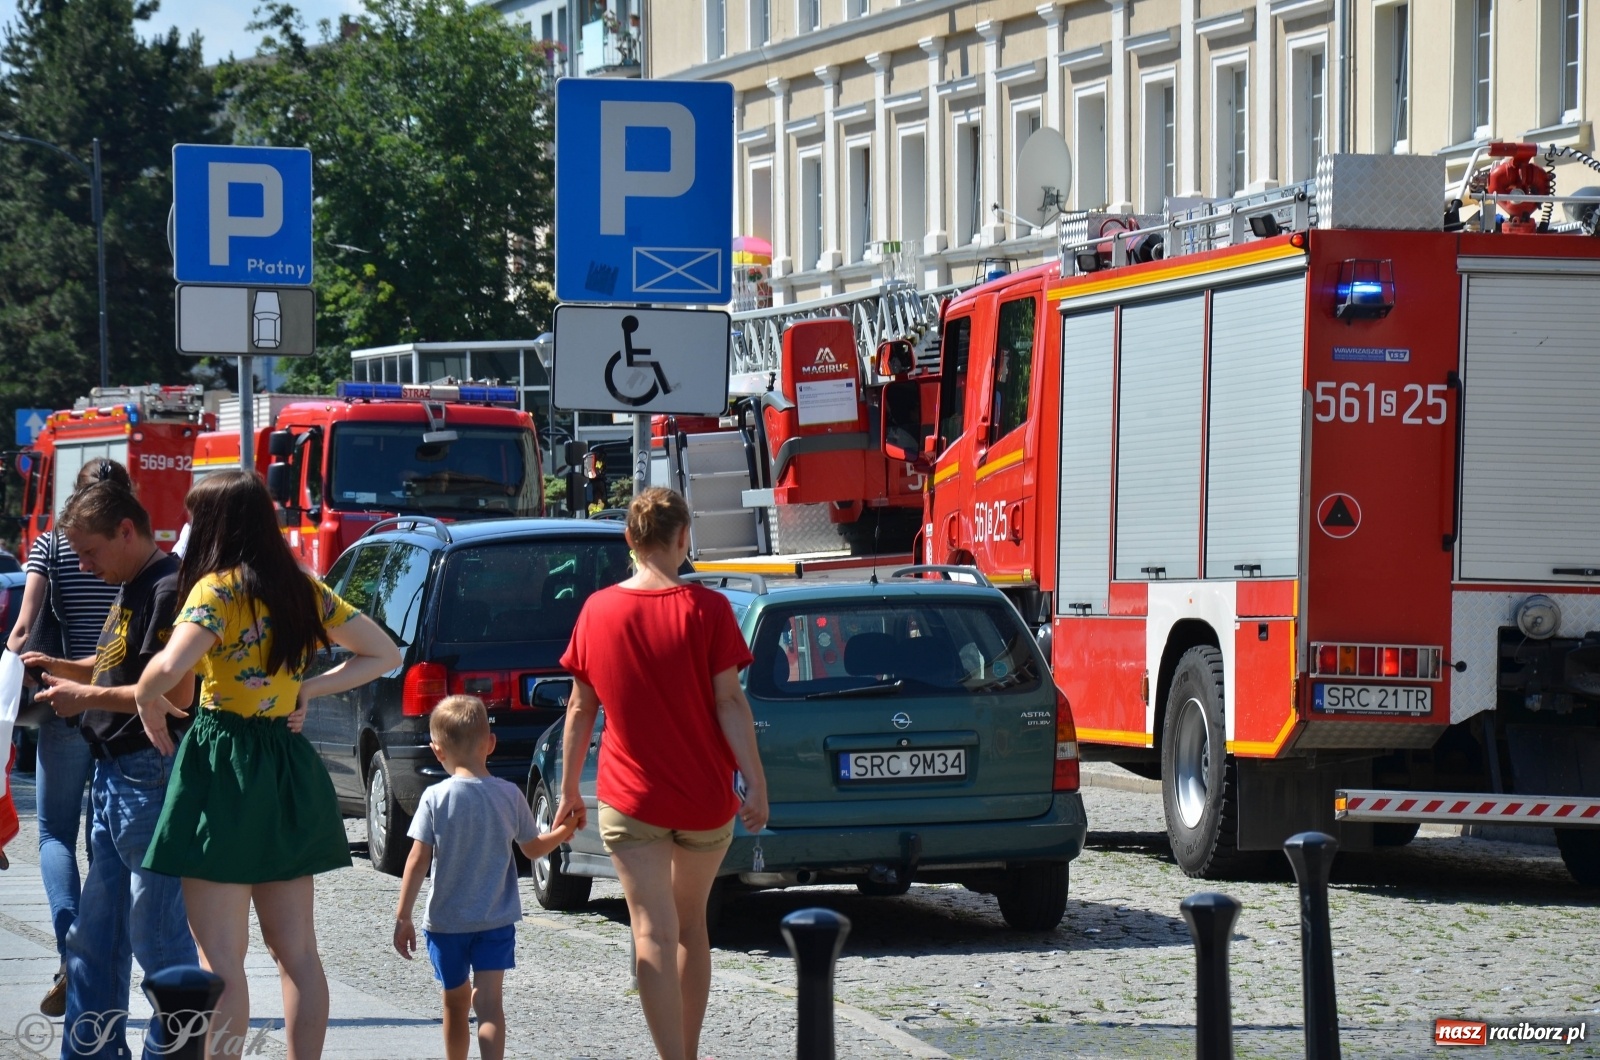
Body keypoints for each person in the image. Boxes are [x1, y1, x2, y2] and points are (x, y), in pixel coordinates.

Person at [133, 469, 400, 1060]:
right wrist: (308, 689)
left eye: (196, 518)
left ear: (215, 525)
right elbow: (384, 653)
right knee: (298, 953)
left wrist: (143, 696)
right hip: (283, 763)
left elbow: (168, 667)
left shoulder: (214, 591)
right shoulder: (300, 587)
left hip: (220, 766)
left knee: (219, 962)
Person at [555, 487, 769, 1060]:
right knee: (691, 927)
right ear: (683, 539)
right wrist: (756, 780)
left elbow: (581, 709)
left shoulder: (598, 610)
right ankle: (690, 1054)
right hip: (703, 798)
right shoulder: (710, 611)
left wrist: (568, 789)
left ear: (629, 539)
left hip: (630, 799)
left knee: (651, 930)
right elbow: (731, 703)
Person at [22, 478, 198, 1060]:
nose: (84, 566)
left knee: (157, 937)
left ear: (127, 530)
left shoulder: (168, 586)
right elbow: (117, 665)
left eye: (90, 552)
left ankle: (173, 1050)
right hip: (115, 779)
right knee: (96, 939)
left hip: (146, 775)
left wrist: (86, 698)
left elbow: (168, 691)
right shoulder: (132, 580)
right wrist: (66, 668)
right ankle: (90, 1050)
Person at [5, 459, 128, 1016]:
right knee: (104, 840)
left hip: (62, 698)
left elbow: (24, 628)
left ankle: (69, 951)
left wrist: (15, 670)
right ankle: (100, 955)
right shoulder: (131, 548)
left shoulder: (52, 545)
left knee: (53, 833)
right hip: (121, 704)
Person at [392, 695, 579, 1060]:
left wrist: (403, 916)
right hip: (496, 919)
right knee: (490, 1005)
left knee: (455, 1004)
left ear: (436, 750)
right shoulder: (509, 795)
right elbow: (533, 849)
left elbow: (416, 861)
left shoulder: (435, 798)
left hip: (446, 923)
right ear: (490, 744)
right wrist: (565, 830)